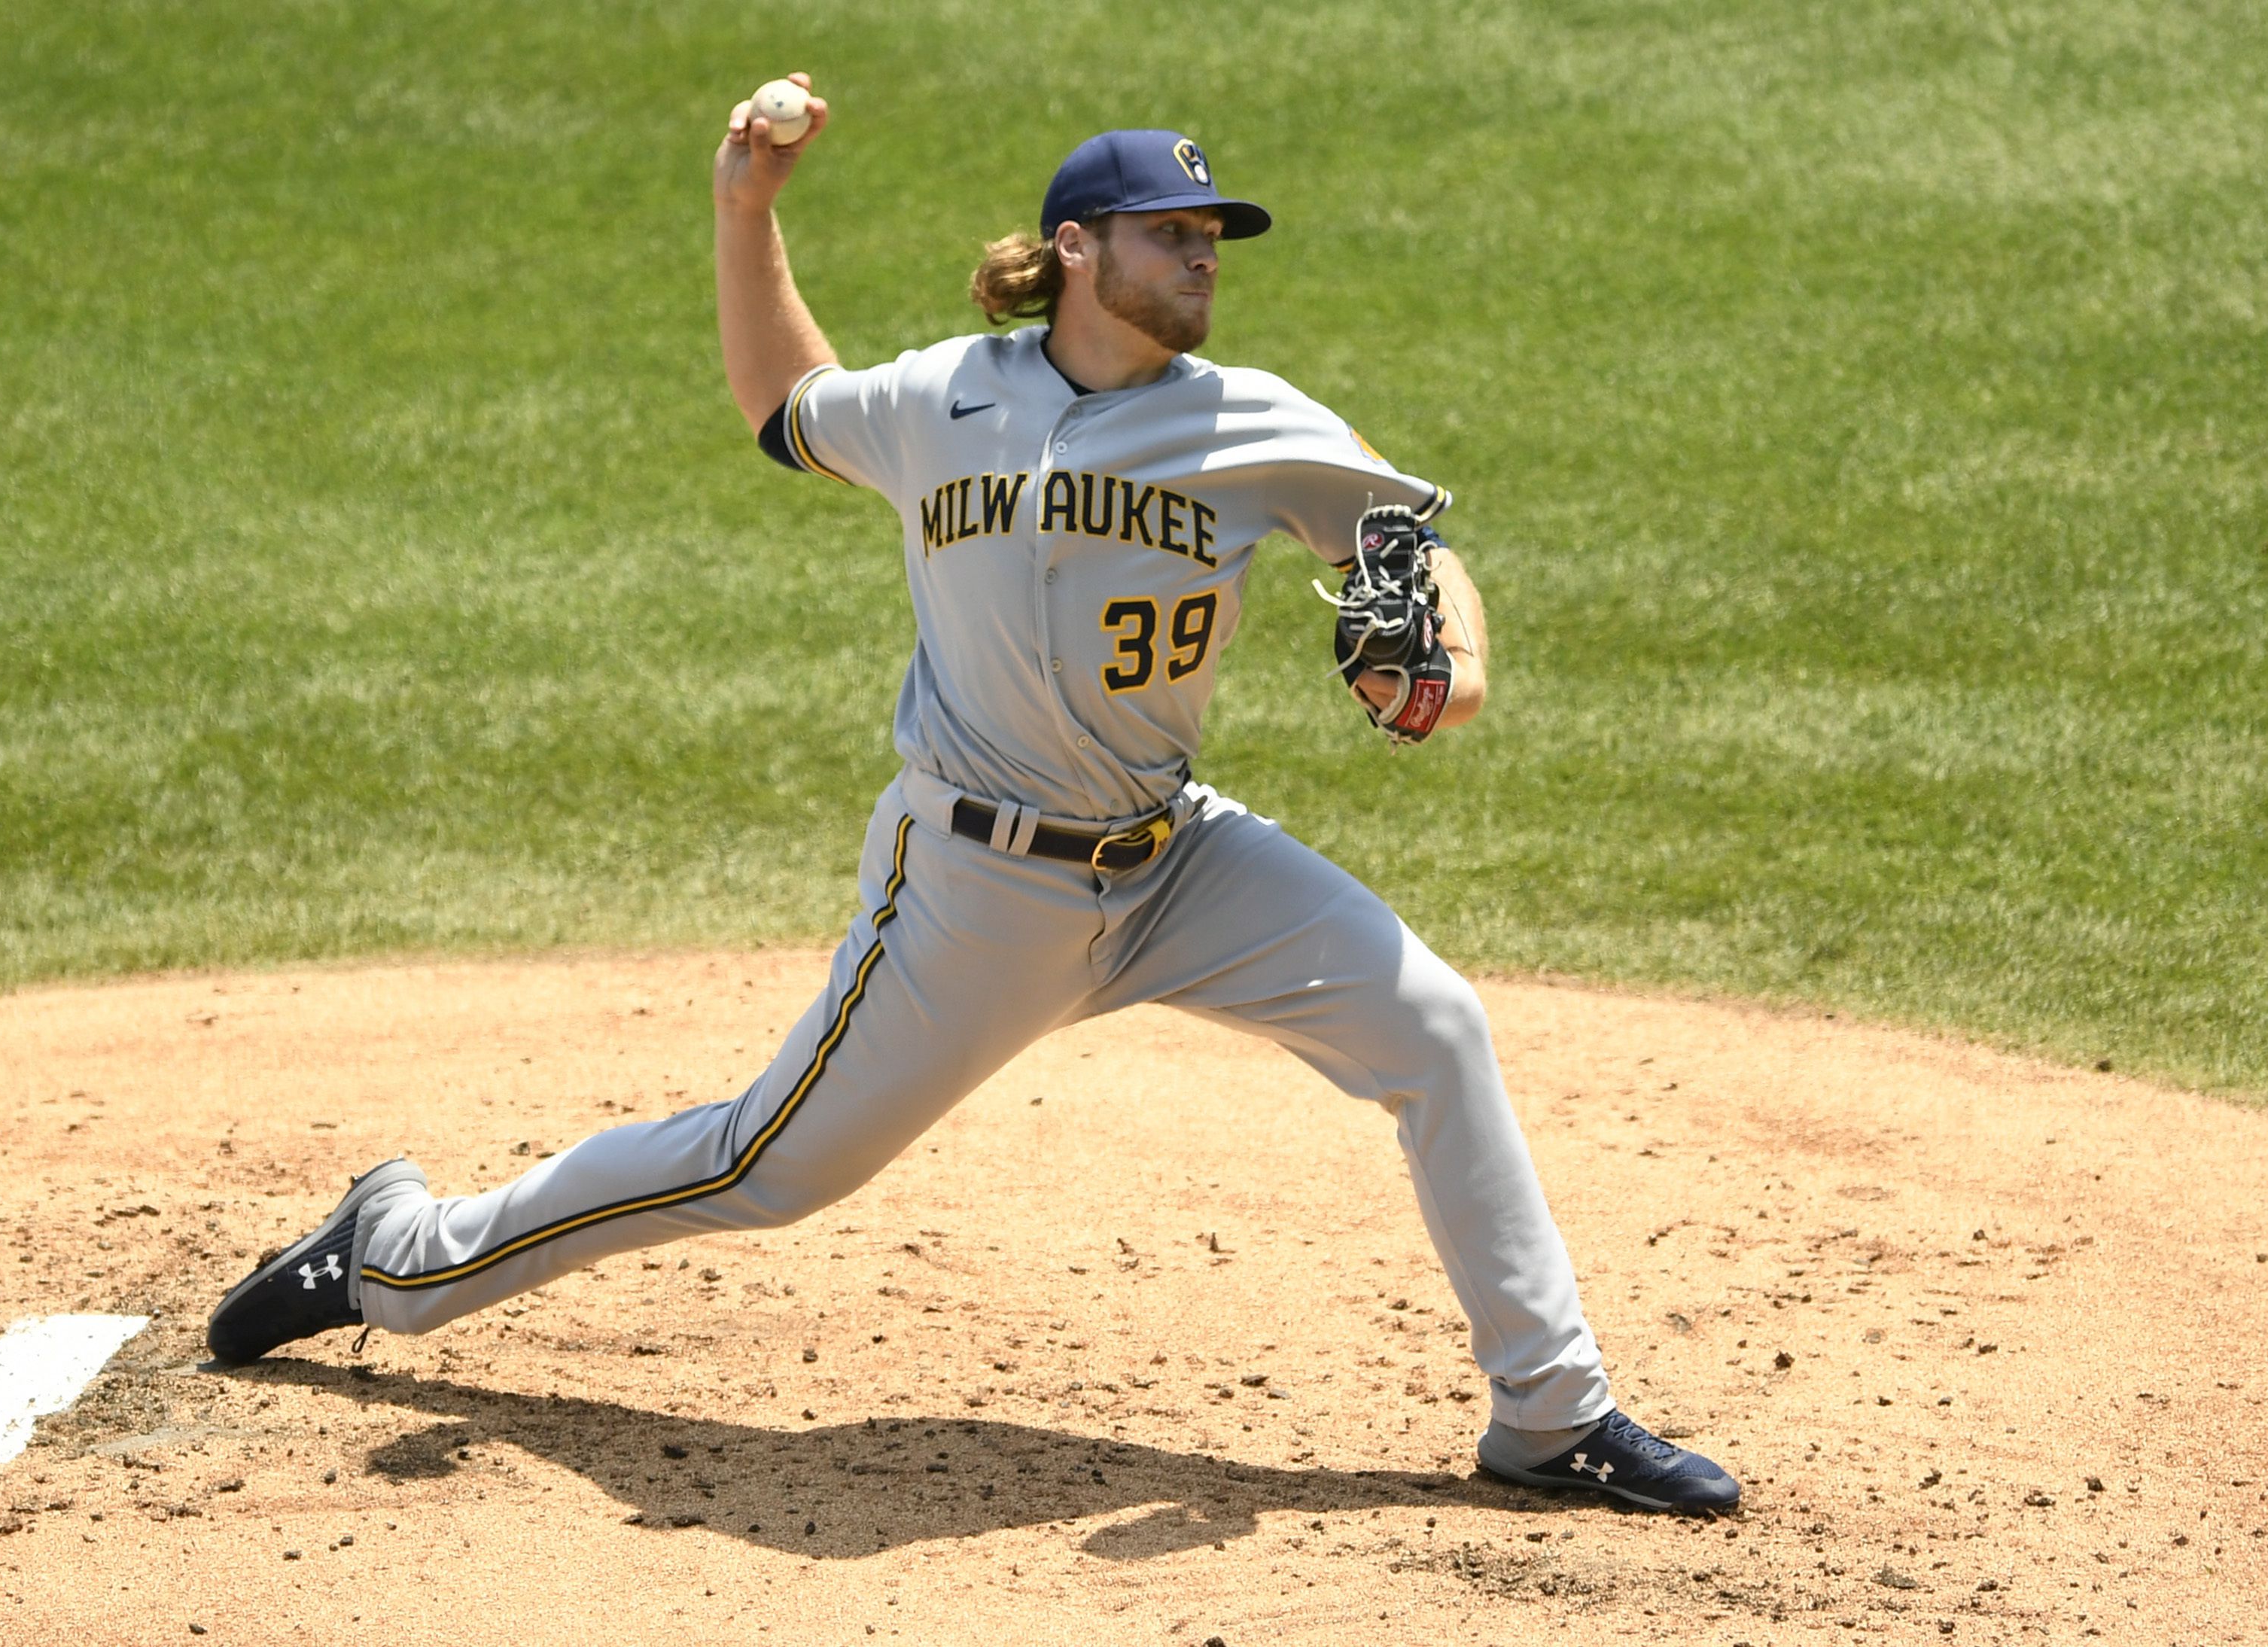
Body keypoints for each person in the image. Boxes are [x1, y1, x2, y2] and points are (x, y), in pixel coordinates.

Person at [207, 75, 1740, 1515]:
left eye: (1214, 238)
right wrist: (747, 206)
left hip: (1177, 865)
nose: (1205, 258)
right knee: (763, 1163)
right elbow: (783, 403)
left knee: (1435, 1025)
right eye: (1174, 234)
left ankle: (1550, 1413)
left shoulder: (1258, 420)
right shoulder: (943, 398)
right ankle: (394, 1252)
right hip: (975, 886)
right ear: (1078, 249)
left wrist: (1451, 670)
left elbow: (1412, 551)